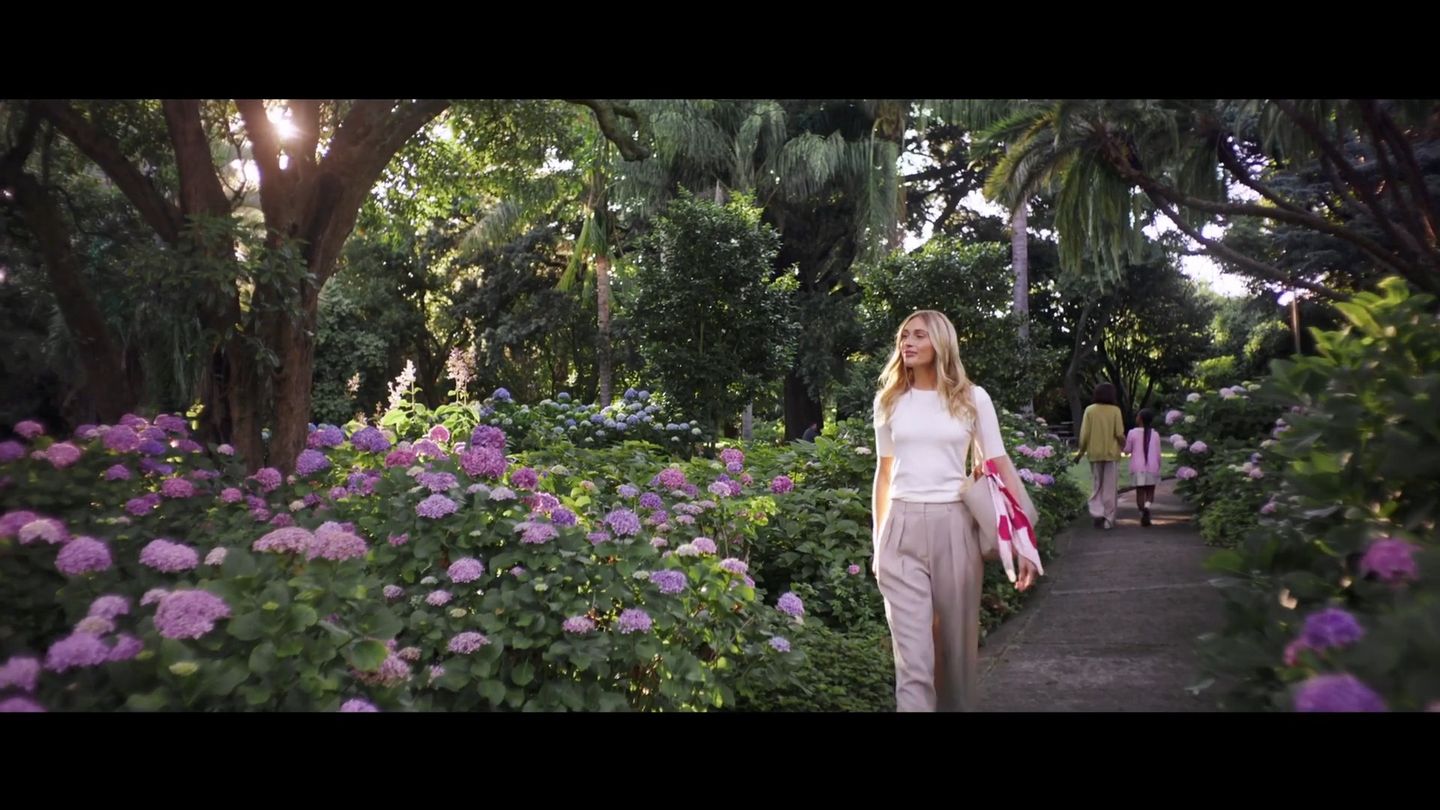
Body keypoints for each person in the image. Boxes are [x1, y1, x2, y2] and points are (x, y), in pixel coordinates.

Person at [871, 309, 1037, 712]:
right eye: (904, 335)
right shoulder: (889, 400)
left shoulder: (972, 398)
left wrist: (1025, 540)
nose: (907, 342)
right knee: (912, 660)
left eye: (919, 335)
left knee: (956, 657)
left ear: (941, 343)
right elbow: (884, 473)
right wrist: (878, 543)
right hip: (901, 530)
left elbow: (998, 464)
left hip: (955, 528)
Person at [1073, 382, 1126, 529]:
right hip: (1111, 454)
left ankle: (1097, 512)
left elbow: (1084, 435)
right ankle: (1109, 518)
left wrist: (1080, 453)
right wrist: (1124, 445)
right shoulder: (1115, 410)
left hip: (1094, 453)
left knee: (1097, 485)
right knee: (1110, 487)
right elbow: (1119, 434)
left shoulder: (1090, 410)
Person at [1123, 408, 1162, 526]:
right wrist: (1158, 466)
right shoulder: (1155, 434)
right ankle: (1147, 506)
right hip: (1152, 467)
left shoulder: (1132, 433)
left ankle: (1142, 513)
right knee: (1150, 492)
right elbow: (1158, 453)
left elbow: (1127, 451)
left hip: (1138, 468)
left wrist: (1122, 444)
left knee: (1140, 492)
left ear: (1139, 419)